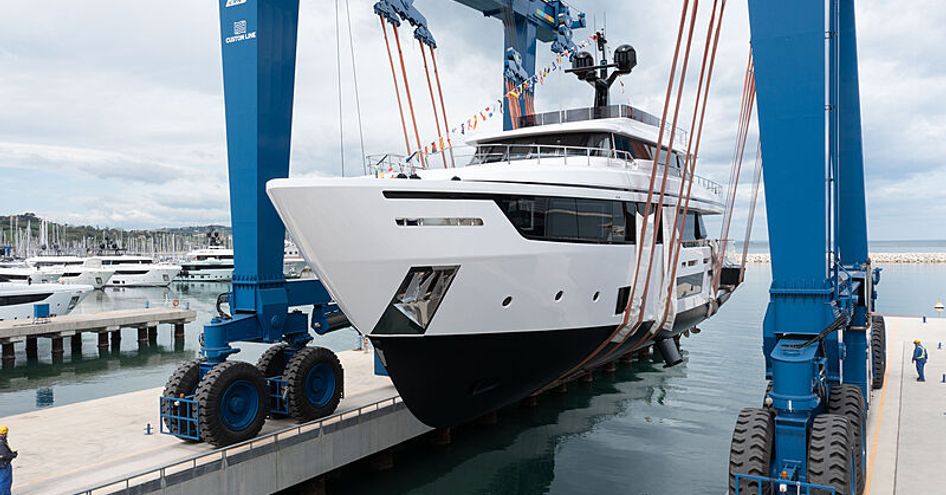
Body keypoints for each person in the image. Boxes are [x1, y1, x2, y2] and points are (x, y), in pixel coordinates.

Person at [0, 424, 16, 495]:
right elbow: (5, 454)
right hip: (4, 465)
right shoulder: (1, 443)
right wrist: (13, 455)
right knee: (5, 482)